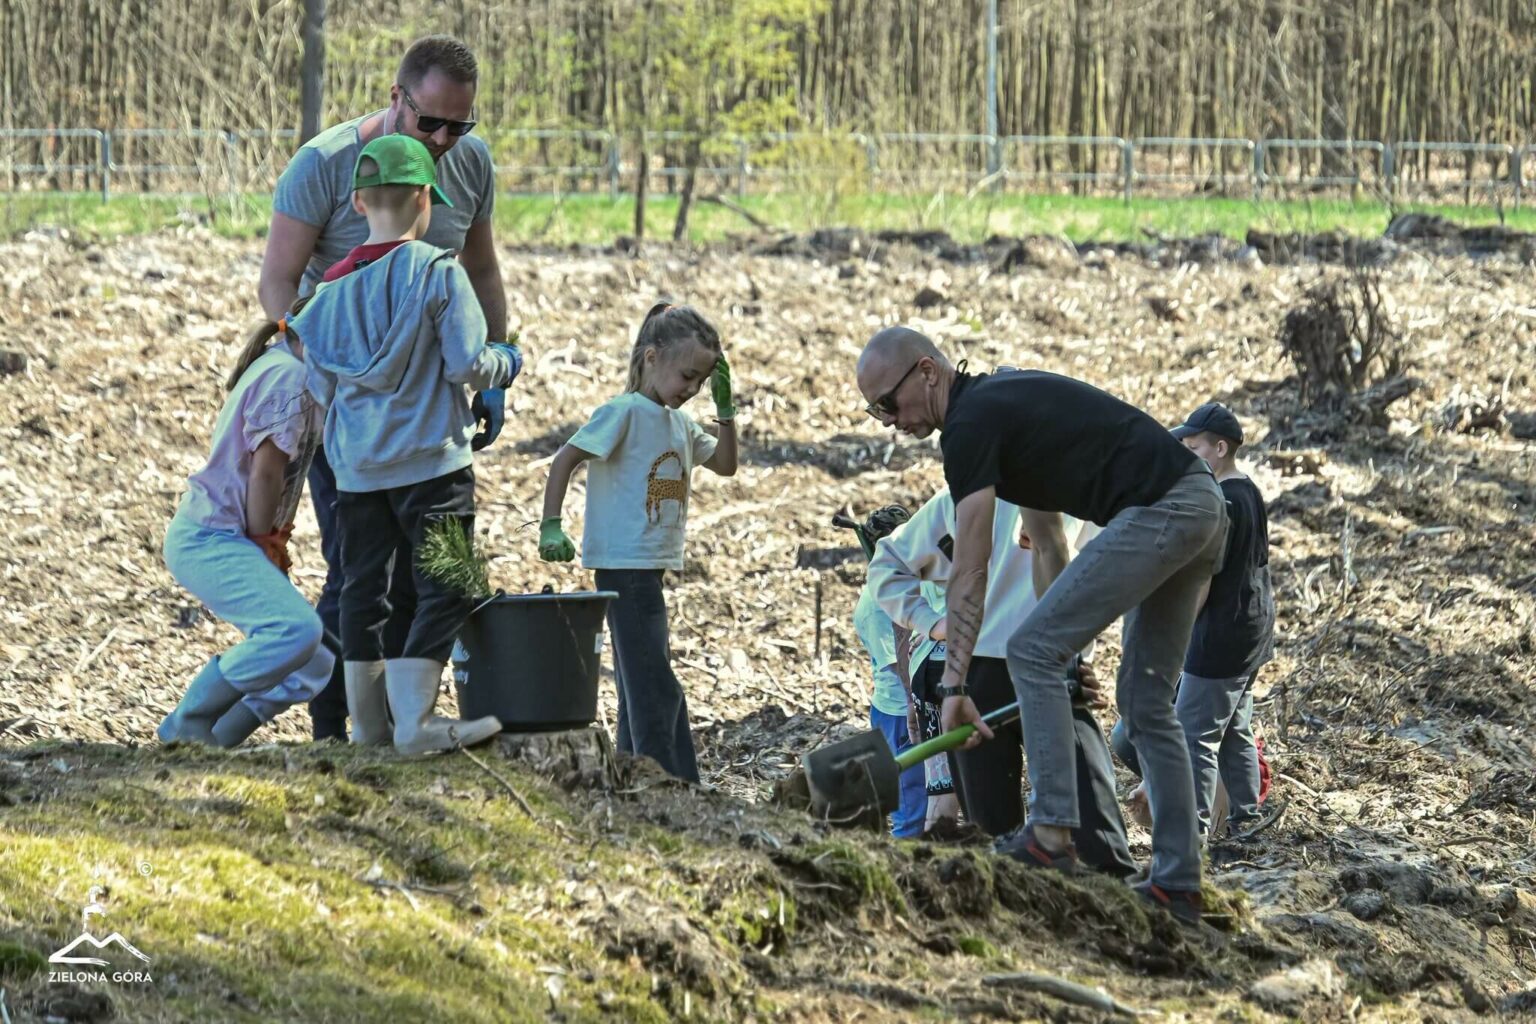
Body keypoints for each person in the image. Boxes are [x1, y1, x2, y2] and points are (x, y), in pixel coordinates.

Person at [855, 326, 1227, 925]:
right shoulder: (1005, 416)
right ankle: (1179, 884)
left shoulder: (970, 423)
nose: (889, 421)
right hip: (1201, 506)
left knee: (1029, 650)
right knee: (1144, 703)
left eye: (888, 403)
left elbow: (970, 568)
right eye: (875, 412)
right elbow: (1049, 542)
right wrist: (1066, 655)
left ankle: (1050, 834)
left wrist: (954, 686)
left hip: (1164, 508)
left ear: (926, 371)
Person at [259, 34, 510, 741]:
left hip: (402, 418)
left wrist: (496, 357)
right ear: (396, 97)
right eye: (430, 122)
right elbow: (278, 283)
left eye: (460, 126)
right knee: (363, 576)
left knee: (388, 581)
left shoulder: (470, 165)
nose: (444, 140)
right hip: (371, 433)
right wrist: (322, 367)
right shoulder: (322, 165)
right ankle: (339, 729)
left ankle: (388, 727)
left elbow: (485, 270)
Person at [870, 489, 1136, 877]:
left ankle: (1116, 899)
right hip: (978, 678)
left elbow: (1112, 571)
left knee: (1094, 827)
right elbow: (888, 565)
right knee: (997, 836)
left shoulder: (1078, 489)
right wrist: (934, 623)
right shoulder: (963, 497)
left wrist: (1081, 650)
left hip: (1054, 669)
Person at [538, 305, 738, 782]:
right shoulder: (623, 413)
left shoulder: (681, 425)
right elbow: (566, 458)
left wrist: (726, 410)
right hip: (623, 565)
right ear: (652, 358)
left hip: (649, 568)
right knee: (654, 686)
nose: (692, 389)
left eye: (701, 381)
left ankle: (635, 774)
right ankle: (670, 782)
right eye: (687, 376)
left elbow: (727, 465)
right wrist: (551, 524)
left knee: (639, 680)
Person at [158, 301, 332, 747]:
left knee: (313, 663)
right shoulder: (290, 378)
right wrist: (263, 541)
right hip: (211, 535)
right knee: (297, 631)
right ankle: (189, 721)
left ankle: (215, 741)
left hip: (222, 533)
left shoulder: (286, 365)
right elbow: (266, 472)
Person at [844, 504, 927, 838]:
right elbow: (899, 664)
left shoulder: (906, 583)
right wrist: (913, 707)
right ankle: (907, 862)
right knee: (912, 806)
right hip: (899, 712)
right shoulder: (876, 604)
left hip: (915, 704)